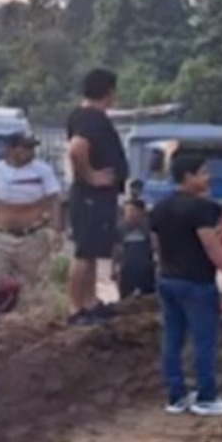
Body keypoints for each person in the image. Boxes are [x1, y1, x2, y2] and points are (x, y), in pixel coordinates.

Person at [150, 154, 222, 416]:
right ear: (188, 176)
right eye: (203, 172)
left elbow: (157, 245)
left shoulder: (159, 208)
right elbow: (211, 245)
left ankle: (176, 396)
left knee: (172, 339)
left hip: (168, 280)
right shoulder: (201, 208)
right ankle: (206, 396)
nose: (208, 177)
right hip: (196, 282)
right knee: (204, 341)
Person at [66, 68, 128, 326]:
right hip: (89, 194)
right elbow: (76, 149)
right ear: (109, 91)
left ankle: (90, 302)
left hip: (99, 195)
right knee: (83, 253)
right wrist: (90, 175)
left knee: (92, 251)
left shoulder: (89, 116)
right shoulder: (91, 117)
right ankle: (76, 307)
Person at [0, 133, 64, 319]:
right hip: (0, 238)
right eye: (25, 148)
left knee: (35, 285)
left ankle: (34, 322)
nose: (30, 152)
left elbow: (54, 199)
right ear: (11, 150)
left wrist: (57, 230)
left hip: (32, 237)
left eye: (32, 148)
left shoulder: (42, 171)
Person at [114, 199, 155, 299]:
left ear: (140, 212)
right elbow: (116, 249)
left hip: (146, 269)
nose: (129, 214)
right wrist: (114, 268)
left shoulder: (148, 227)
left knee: (147, 298)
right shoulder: (120, 228)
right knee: (125, 298)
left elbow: (155, 246)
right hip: (127, 269)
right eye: (126, 211)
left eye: (132, 210)